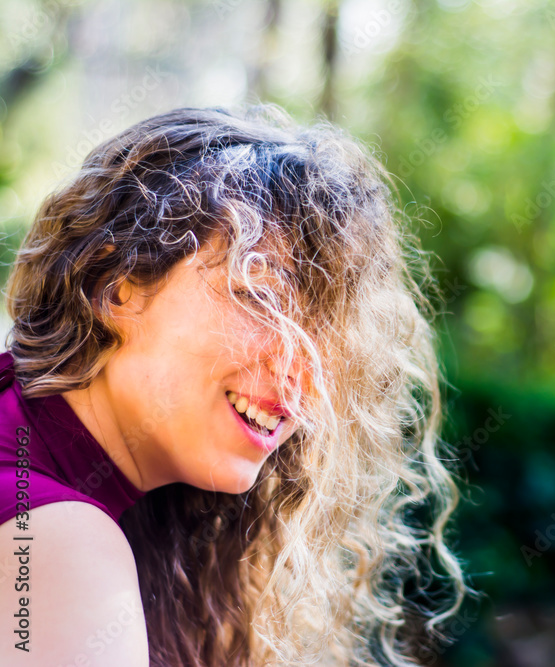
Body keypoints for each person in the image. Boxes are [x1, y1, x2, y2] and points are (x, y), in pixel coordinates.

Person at [0, 105, 470, 666]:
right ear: (115, 286)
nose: (304, 372)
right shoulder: (56, 543)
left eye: (325, 336)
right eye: (261, 298)